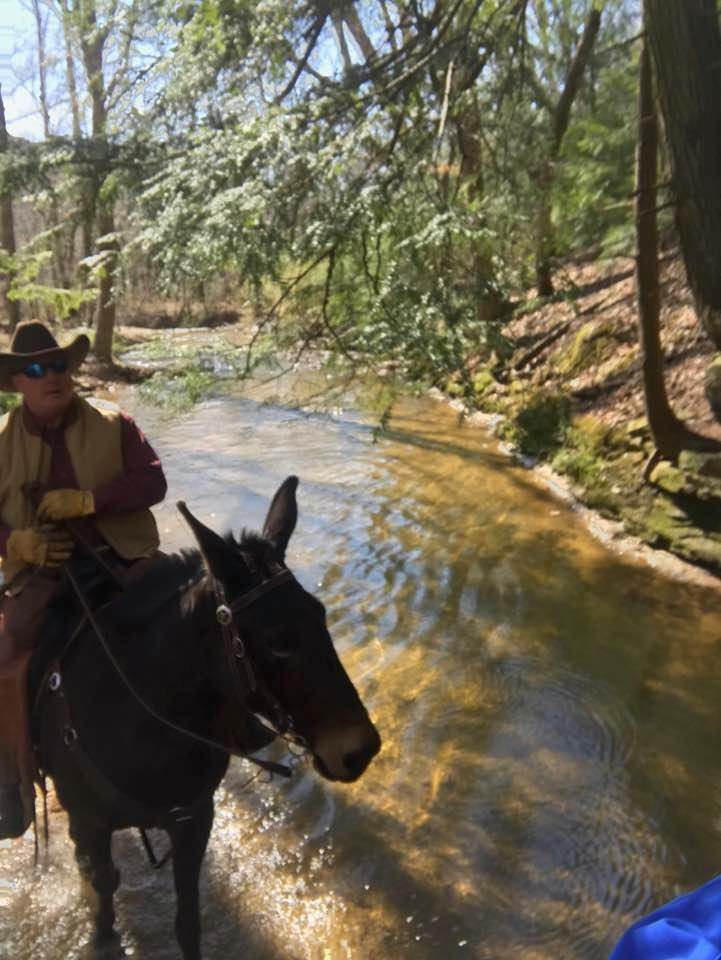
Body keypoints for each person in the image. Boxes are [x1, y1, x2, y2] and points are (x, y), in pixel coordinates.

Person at [0, 320, 167, 839]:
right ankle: (13, 784)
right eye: (36, 368)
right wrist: (15, 544)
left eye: (58, 365)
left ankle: (218, 738)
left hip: (121, 556)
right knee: (3, 653)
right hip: (42, 570)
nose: (51, 375)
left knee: (195, 616)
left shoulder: (115, 423)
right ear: (17, 383)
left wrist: (92, 501)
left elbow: (154, 480)